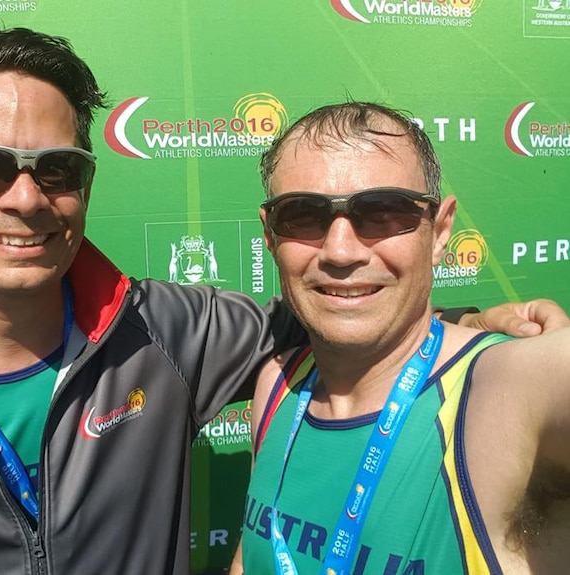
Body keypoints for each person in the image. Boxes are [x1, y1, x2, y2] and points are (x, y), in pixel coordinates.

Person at [0, 20, 563, 575]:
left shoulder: (169, 330)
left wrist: (471, 320)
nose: (23, 198)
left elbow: (345, 310)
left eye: (57, 169)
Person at [230, 102, 570, 575]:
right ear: (270, 235)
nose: (340, 251)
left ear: (441, 231)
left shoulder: (508, 391)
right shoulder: (276, 384)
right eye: (302, 214)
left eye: (382, 211)